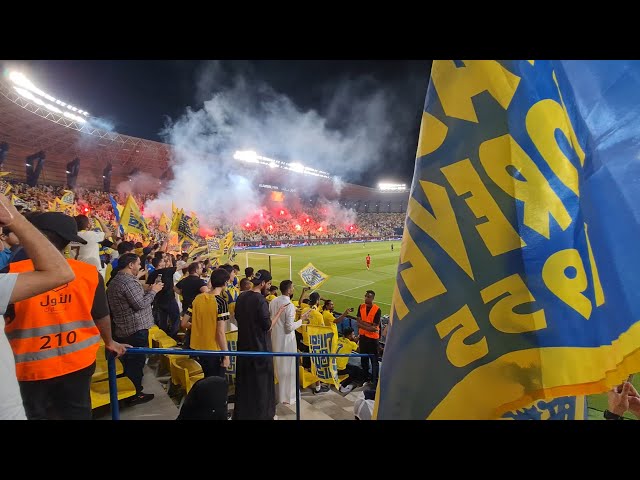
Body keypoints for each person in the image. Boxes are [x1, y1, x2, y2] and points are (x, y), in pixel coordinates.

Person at [5, 211, 127, 420]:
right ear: (67, 243)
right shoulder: (89, 274)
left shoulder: (9, 273)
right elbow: (101, 315)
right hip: (77, 365)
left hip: (28, 370)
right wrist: (110, 341)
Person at [0, 195, 78, 420]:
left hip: (35, 368)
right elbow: (60, 273)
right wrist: (14, 218)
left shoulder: (9, 270)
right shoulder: (87, 272)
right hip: (49, 368)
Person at [107, 253, 163, 405]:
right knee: (135, 364)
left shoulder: (117, 280)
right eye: (138, 264)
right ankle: (135, 394)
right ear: (130, 265)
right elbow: (140, 304)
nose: (139, 267)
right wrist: (154, 291)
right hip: (135, 329)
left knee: (130, 363)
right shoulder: (127, 282)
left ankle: (129, 392)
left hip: (124, 328)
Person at [233, 269, 284, 420]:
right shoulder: (260, 301)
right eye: (268, 284)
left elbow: (238, 317)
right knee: (261, 385)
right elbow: (267, 326)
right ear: (263, 283)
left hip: (243, 347)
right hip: (259, 349)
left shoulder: (241, 297)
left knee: (245, 383)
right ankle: (263, 415)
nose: (269, 286)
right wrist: (279, 313)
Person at [270, 280, 309, 405]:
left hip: (275, 338)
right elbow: (289, 327)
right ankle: (288, 397)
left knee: (277, 366)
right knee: (289, 367)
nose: (293, 289)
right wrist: (301, 320)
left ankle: (278, 395)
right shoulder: (289, 305)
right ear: (289, 290)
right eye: (292, 287)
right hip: (287, 341)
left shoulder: (273, 301)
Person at [189, 268, 231, 378]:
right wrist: (226, 355)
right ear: (225, 283)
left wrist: (200, 328)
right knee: (216, 382)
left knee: (207, 378)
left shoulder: (198, 298)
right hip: (214, 350)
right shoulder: (221, 302)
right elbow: (220, 332)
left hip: (198, 347)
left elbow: (184, 323)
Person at [146, 256, 180, 339]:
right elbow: (182, 266)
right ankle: (172, 336)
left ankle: (163, 338)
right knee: (175, 317)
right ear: (160, 263)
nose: (165, 262)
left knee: (162, 320)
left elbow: (148, 287)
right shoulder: (167, 271)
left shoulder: (152, 274)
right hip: (169, 299)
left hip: (158, 300)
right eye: (163, 261)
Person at [357, 290, 381, 388]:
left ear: (372, 298)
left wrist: (362, 325)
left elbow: (375, 327)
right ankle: (365, 378)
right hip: (363, 338)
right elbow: (358, 321)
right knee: (364, 360)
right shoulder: (361, 306)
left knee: (374, 361)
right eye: (366, 296)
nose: (366, 298)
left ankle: (374, 381)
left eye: (368, 297)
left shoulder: (377, 309)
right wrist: (368, 327)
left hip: (372, 340)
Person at [337, 328, 367, 393]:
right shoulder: (351, 344)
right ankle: (343, 387)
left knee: (351, 367)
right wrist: (359, 340)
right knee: (356, 371)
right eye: (353, 334)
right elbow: (360, 351)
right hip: (340, 369)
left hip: (332, 365)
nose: (354, 336)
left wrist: (354, 340)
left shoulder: (339, 339)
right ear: (349, 336)